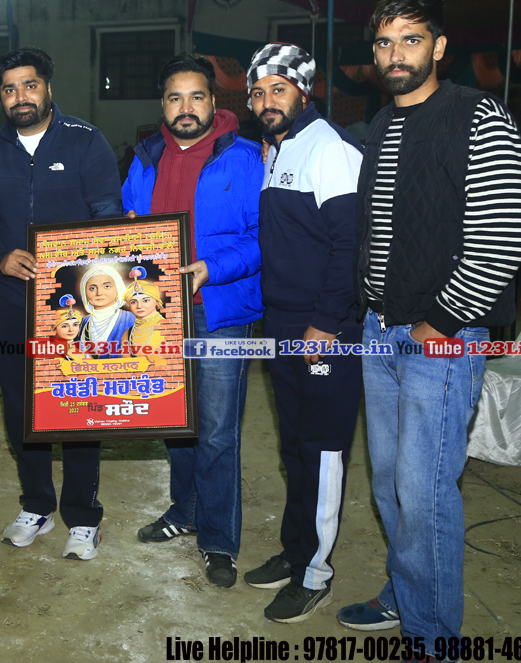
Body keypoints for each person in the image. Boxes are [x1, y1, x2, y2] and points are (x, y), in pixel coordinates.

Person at [337, 0, 521, 647]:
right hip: (379, 332)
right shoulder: (379, 126)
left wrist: (438, 323)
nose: (396, 55)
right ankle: (405, 593)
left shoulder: (478, 116)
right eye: (384, 43)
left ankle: (432, 637)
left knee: (424, 493)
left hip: (441, 338)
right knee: (391, 486)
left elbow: (500, 238)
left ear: (439, 47)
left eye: (411, 40)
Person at [0, 48, 122, 561]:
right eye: (9, 89)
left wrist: (75, 268)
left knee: (77, 402)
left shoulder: (85, 140)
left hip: (74, 308)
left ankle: (83, 517)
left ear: (48, 88)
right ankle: (36, 505)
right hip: (11, 304)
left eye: (29, 85)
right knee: (20, 406)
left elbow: (107, 215)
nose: (20, 97)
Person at [122, 54, 263, 587]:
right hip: (159, 315)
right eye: (175, 97)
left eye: (196, 96)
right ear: (163, 104)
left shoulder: (246, 158)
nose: (186, 107)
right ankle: (184, 511)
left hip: (220, 311)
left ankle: (219, 541)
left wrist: (212, 268)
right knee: (175, 421)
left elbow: (264, 237)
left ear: (213, 101)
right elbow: (126, 228)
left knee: (218, 431)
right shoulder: (144, 159)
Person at [240, 43, 364, 623]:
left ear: (303, 91)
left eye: (278, 89)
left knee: (322, 450)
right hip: (283, 322)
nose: (266, 101)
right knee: (294, 447)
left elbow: (350, 244)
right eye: (257, 92)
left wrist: (327, 322)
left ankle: (316, 574)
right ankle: (296, 553)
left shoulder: (329, 147)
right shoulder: (279, 149)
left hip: (323, 328)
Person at [76, 264, 134, 358]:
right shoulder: (81, 324)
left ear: (118, 288)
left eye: (107, 286)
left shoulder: (131, 319)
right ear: (85, 292)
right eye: (92, 288)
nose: (99, 293)